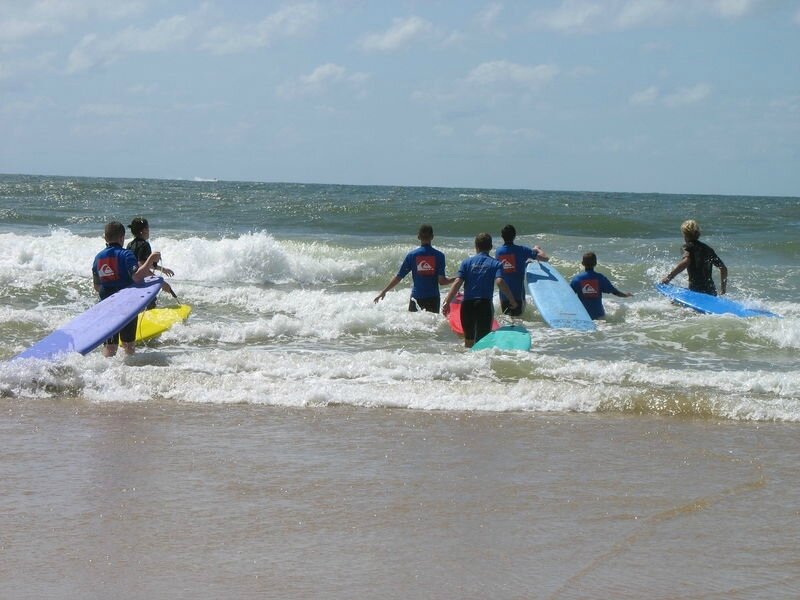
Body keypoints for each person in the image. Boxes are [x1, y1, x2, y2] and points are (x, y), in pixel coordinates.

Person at [92, 221, 161, 357]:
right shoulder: (126, 255)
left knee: (110, 345)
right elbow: (136, 277)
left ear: (105, 237)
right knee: (128, 344)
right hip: (126, 306)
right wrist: (150, 260)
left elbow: (97, 286)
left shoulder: (98, 258)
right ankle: (128, 371)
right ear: (122, 238)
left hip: (107, 306)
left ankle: (105, 374)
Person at [442, 233, 518, 348]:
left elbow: (457, 282)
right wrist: (512, 301)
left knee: (468, 342)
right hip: (484, 306)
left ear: (476, 246)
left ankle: (468, 364)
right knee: (483, 344)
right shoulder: (496, 264)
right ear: (491, 247)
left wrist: (447, 302)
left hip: (467, 306)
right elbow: (500, 282)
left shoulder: (466, 263)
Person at [374, 224, 454, 313]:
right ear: (432, 237)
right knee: (431, 326)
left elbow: (399, 277)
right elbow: (442, 282)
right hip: (433, 298)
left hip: (416, 297)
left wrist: (384, 291)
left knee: (414, 326)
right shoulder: (439, 256)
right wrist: (457, 279)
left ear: (418, 237)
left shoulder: (412, 255)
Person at [661, 219, 727, 296]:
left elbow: (686, 261)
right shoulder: (708, 249)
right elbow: (723, 268)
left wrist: (668, 278)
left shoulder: (686, 247)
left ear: (684, 234)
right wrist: (723, 289)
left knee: (674, 304)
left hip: (696, 290)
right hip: (711, 291)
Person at [495, 224, 549, 316]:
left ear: (502, 236)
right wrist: (537, 249)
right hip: (517, 296)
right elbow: (545, 258)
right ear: (515, 236)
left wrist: (524, 263)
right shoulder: (522, 250)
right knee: (518, 322)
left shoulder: (498, 252)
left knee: (507, 321)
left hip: (504, 296)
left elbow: (508, 266)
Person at [127, 217, 176, 306]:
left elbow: (144, 264)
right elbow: (142, 266)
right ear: (144, 230)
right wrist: (161, 283)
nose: (149, 231)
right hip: (141, 282)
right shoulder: (145, 245)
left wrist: (163, 269)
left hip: (131, 282)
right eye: (148, 228)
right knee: (150, 305)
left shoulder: (129, 245)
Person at [570, 252, 632, 320]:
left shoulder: (577, 279)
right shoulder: (600, 278)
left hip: (584, 317)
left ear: (582, 263)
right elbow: (615, 292)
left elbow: (568, 295)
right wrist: (626, 295)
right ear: (595, 263)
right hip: (600, 317)